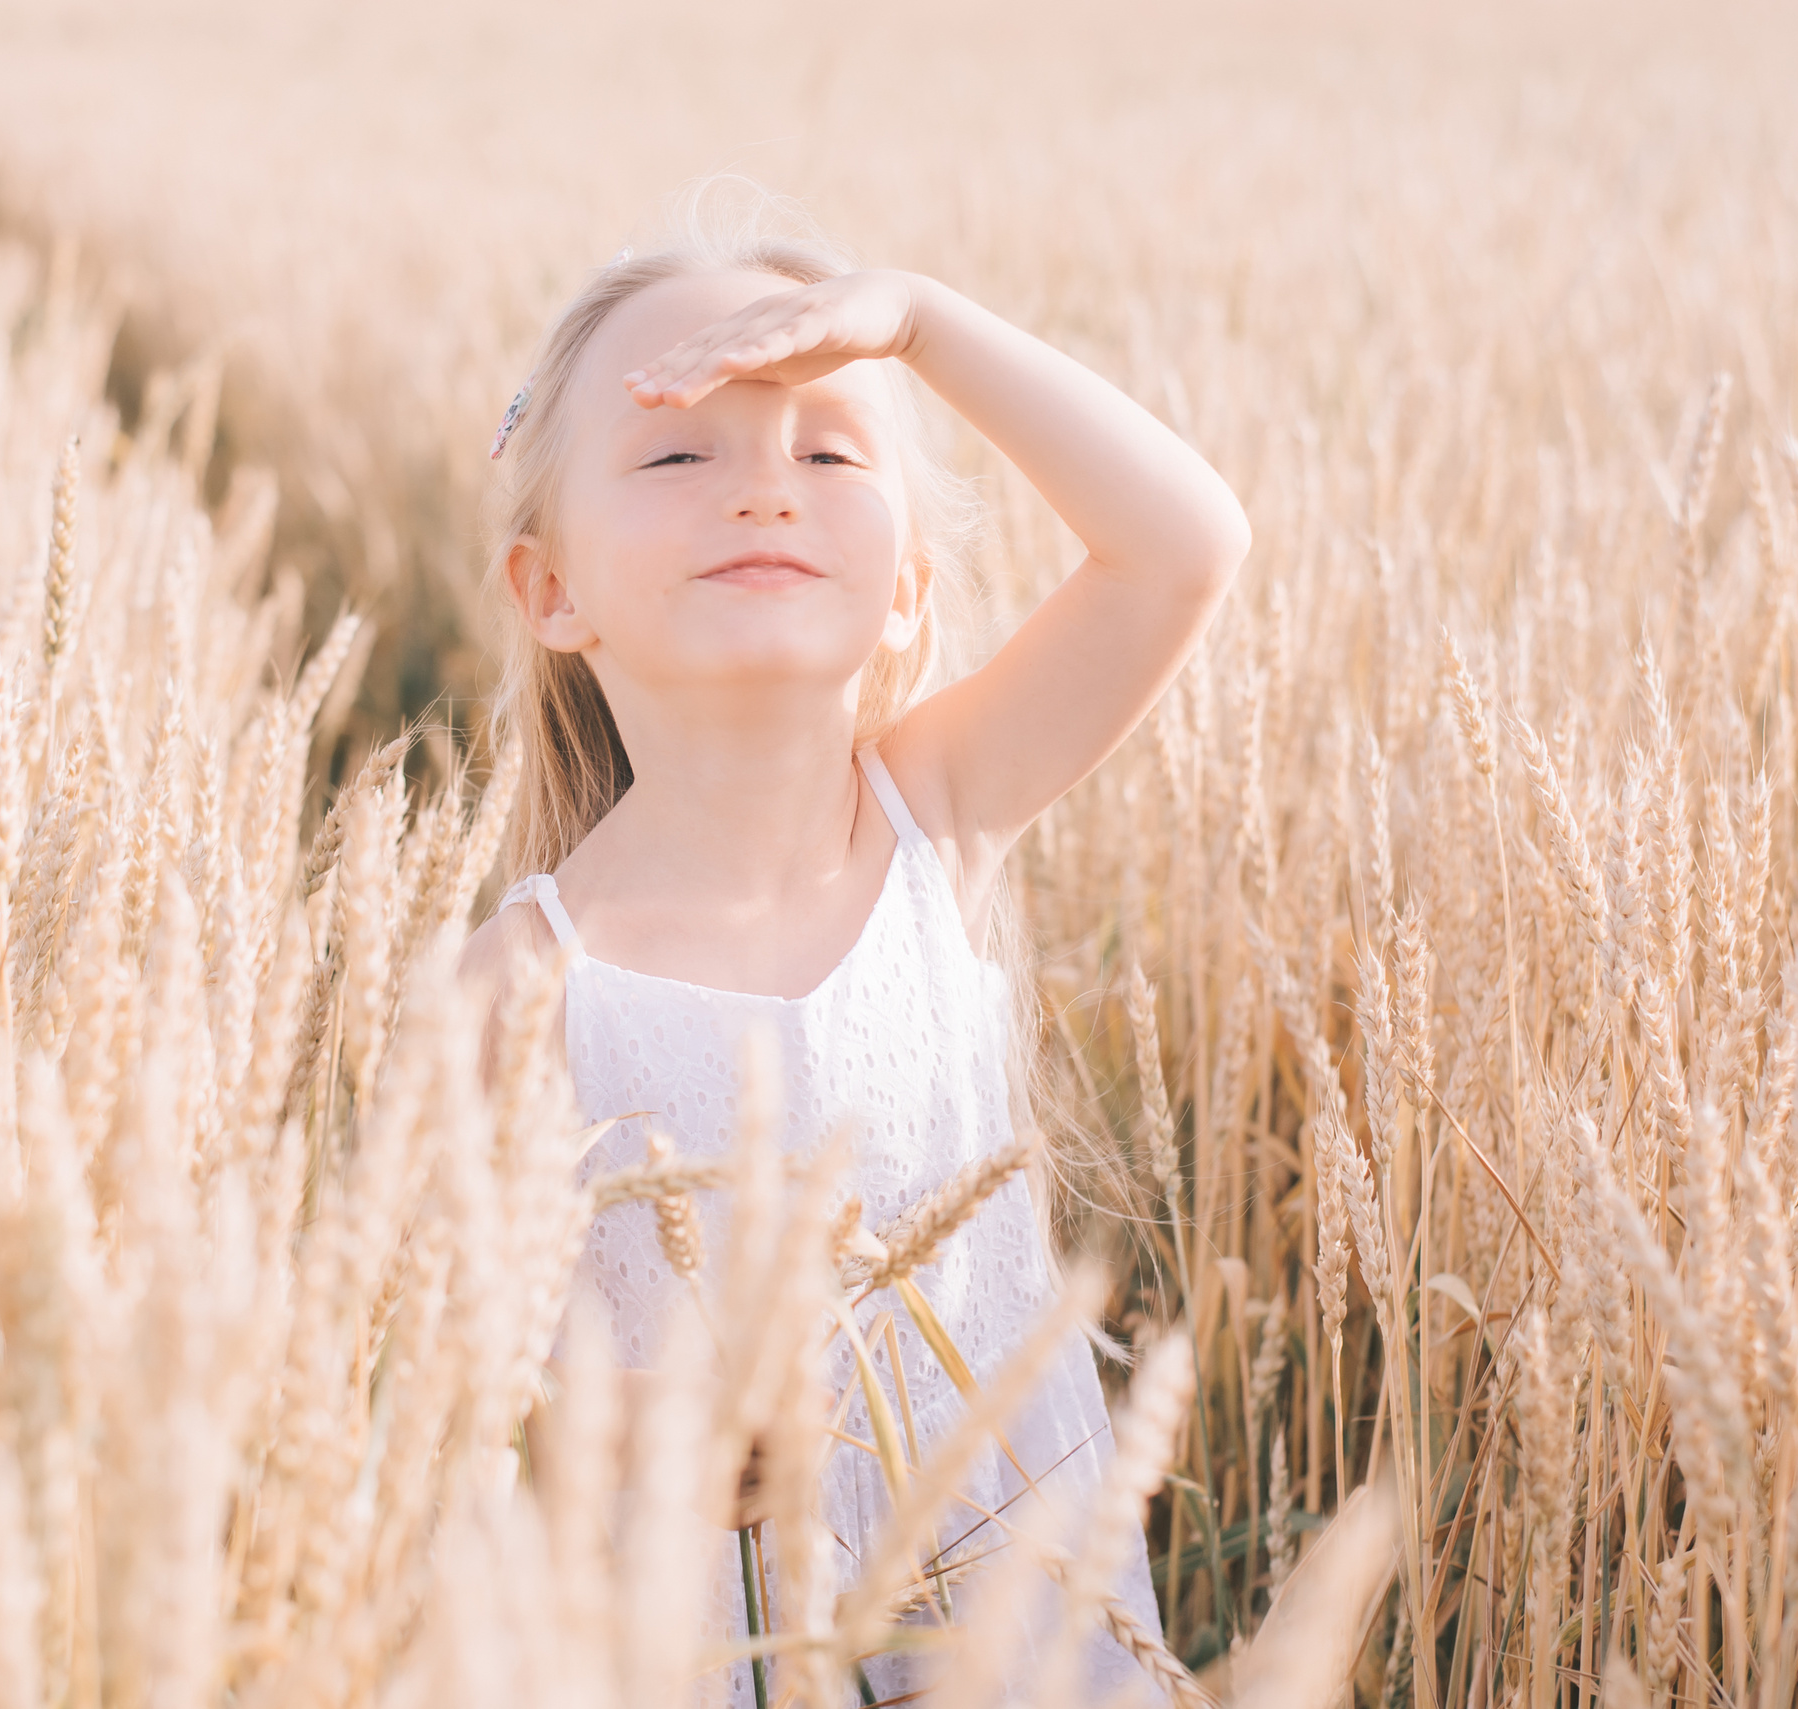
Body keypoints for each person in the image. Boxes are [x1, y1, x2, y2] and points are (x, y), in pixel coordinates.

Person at [457, 196, 1248, 1704]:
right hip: (712, 1649)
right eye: (679, 455)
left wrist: (921, 322)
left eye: (828, 453)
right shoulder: (521, 981)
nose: (765, 489)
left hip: (1014, 1631)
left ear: (907, 593)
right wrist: (625, 1423)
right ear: (550, 590)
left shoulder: (933, 820)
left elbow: (1184, 547)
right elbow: (442, 1383)